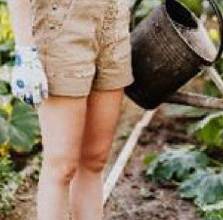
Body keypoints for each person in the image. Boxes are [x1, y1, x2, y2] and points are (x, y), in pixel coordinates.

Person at [7, 0, 134, 219]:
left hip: (114, 21)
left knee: (95, 159)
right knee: (62, 166)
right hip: (62, 23)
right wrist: (25, 50)